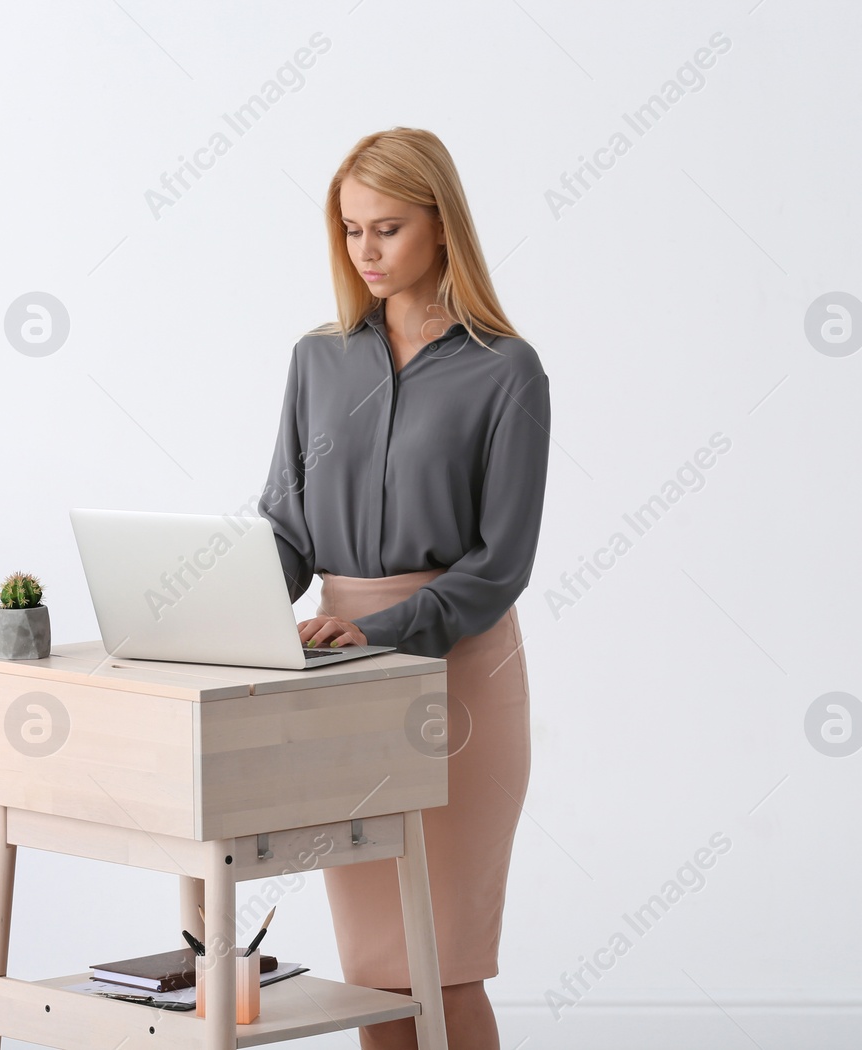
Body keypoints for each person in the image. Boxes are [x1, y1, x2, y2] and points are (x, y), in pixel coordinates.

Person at [258, 126, 551, 1050]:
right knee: (378, 976)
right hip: (339, 680)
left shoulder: (507, 371)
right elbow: (287, 527)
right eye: (350, 231)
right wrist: (223, 602)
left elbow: (501, 564)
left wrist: (383, 627)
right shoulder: (318, 359)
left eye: (388, 228)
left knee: (444, 965)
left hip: (457, 679)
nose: (367, 253)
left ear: (441, 226)